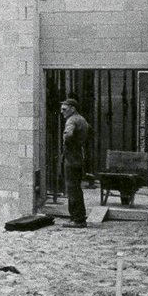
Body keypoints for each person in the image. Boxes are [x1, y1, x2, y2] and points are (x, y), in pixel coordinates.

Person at [60, 97, 91, 228]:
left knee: (72, 188)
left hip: (72, 157)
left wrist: (68, 143)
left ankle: (77, 219)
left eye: (64, 109)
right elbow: (91, 132)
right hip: (78, 156)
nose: (62, 111)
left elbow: (68, 135)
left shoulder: (71, 120)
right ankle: (78, 217)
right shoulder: (82, 119)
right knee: (76, 188)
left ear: (72, 109)